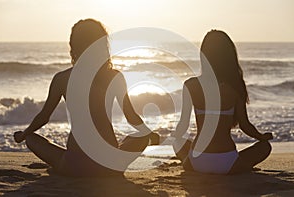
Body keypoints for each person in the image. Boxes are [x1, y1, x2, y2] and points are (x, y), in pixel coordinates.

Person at [14, 19, 159, 177]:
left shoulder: (62, 79)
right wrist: (149, 134)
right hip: (110, 165)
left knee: (31, 139)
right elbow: (131, 117)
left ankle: (61, 167)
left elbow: (44, 117)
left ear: (73, 46)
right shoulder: (114, 77)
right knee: (141, 137)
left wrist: (23, 135)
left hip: (75, 164)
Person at [172, 30, 272, 174]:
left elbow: (183, 125)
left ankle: (192, 163)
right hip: (227, 163)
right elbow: (245, 125)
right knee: (265, 147)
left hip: (196, 162)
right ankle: (239, 167)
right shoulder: (235, 87)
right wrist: (261, 137)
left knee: (178, 142)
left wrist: (172, 136)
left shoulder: (190, 85)